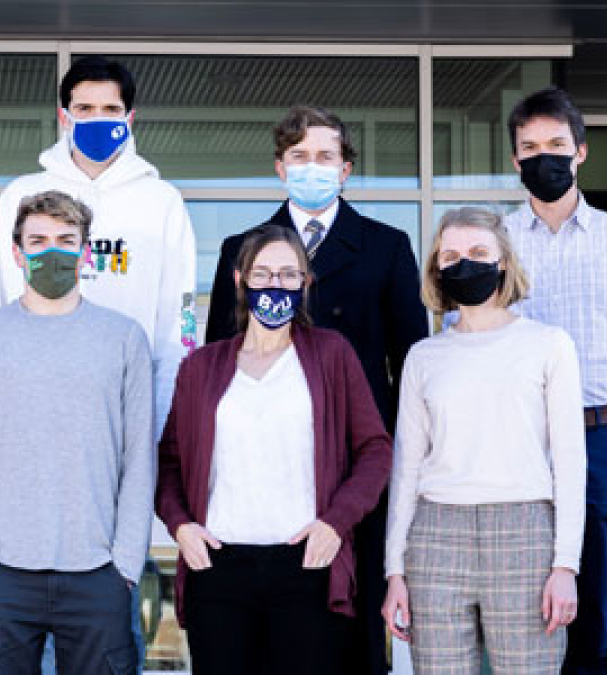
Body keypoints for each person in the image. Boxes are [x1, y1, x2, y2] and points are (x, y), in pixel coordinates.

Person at [203, 105, 428, 675]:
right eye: (300, 157)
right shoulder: (240, 249)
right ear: (280, 168)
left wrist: (396, 463)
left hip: (353, 470)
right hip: (258, 473)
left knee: (349, 628)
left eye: (325, 156)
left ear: (346, 168)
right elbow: (215, 367)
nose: (313, 167)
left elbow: (410, 365)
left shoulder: (386, 246)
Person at [157, 222, 391, 674]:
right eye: (262, 274)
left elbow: (376, 449)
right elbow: (168, 461)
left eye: (288, 274)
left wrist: (335, 523)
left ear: (306, 282)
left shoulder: (331, 354)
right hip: (217, 568)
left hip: (306, 563)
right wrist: (181, 526)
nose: (275, 285)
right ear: (239, 280)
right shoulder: (201, 367)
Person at [0, 190, 155, 673]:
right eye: (37, 241)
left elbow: (138, 459)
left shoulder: (123, 338)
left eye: (66, 240)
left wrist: (124, 564)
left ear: (85, 252)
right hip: (4, 574)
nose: (52, 251)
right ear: (17, 252)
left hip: (98, 575)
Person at [381, 206, 585, 673]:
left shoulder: (549, 345)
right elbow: (406, 468)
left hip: (525, 532)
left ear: (504, 262)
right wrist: (395, 572)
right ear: (436, 268)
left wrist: (565, 567)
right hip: (435, 536)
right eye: (449, 255)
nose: (463, 264)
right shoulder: (424, 356)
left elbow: (571, 463)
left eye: (477, 252)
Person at [500, 86, 607, 675]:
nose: (545, 157)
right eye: (530, 147)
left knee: (594, 623)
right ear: (515, 160)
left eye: (556, 145)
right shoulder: (495, 241)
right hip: (514, 442)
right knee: (519, 616)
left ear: (580, 151)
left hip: (599, 440)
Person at [0, 55, 195, 440]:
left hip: (126, 412)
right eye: (85, 108)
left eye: (110, 109)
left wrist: (162, 427)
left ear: (130, 118)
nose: (98, 118)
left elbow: (178, 326)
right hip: (32, 408)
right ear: (64, 117)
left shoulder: (162, 203)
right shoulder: (20, 196)